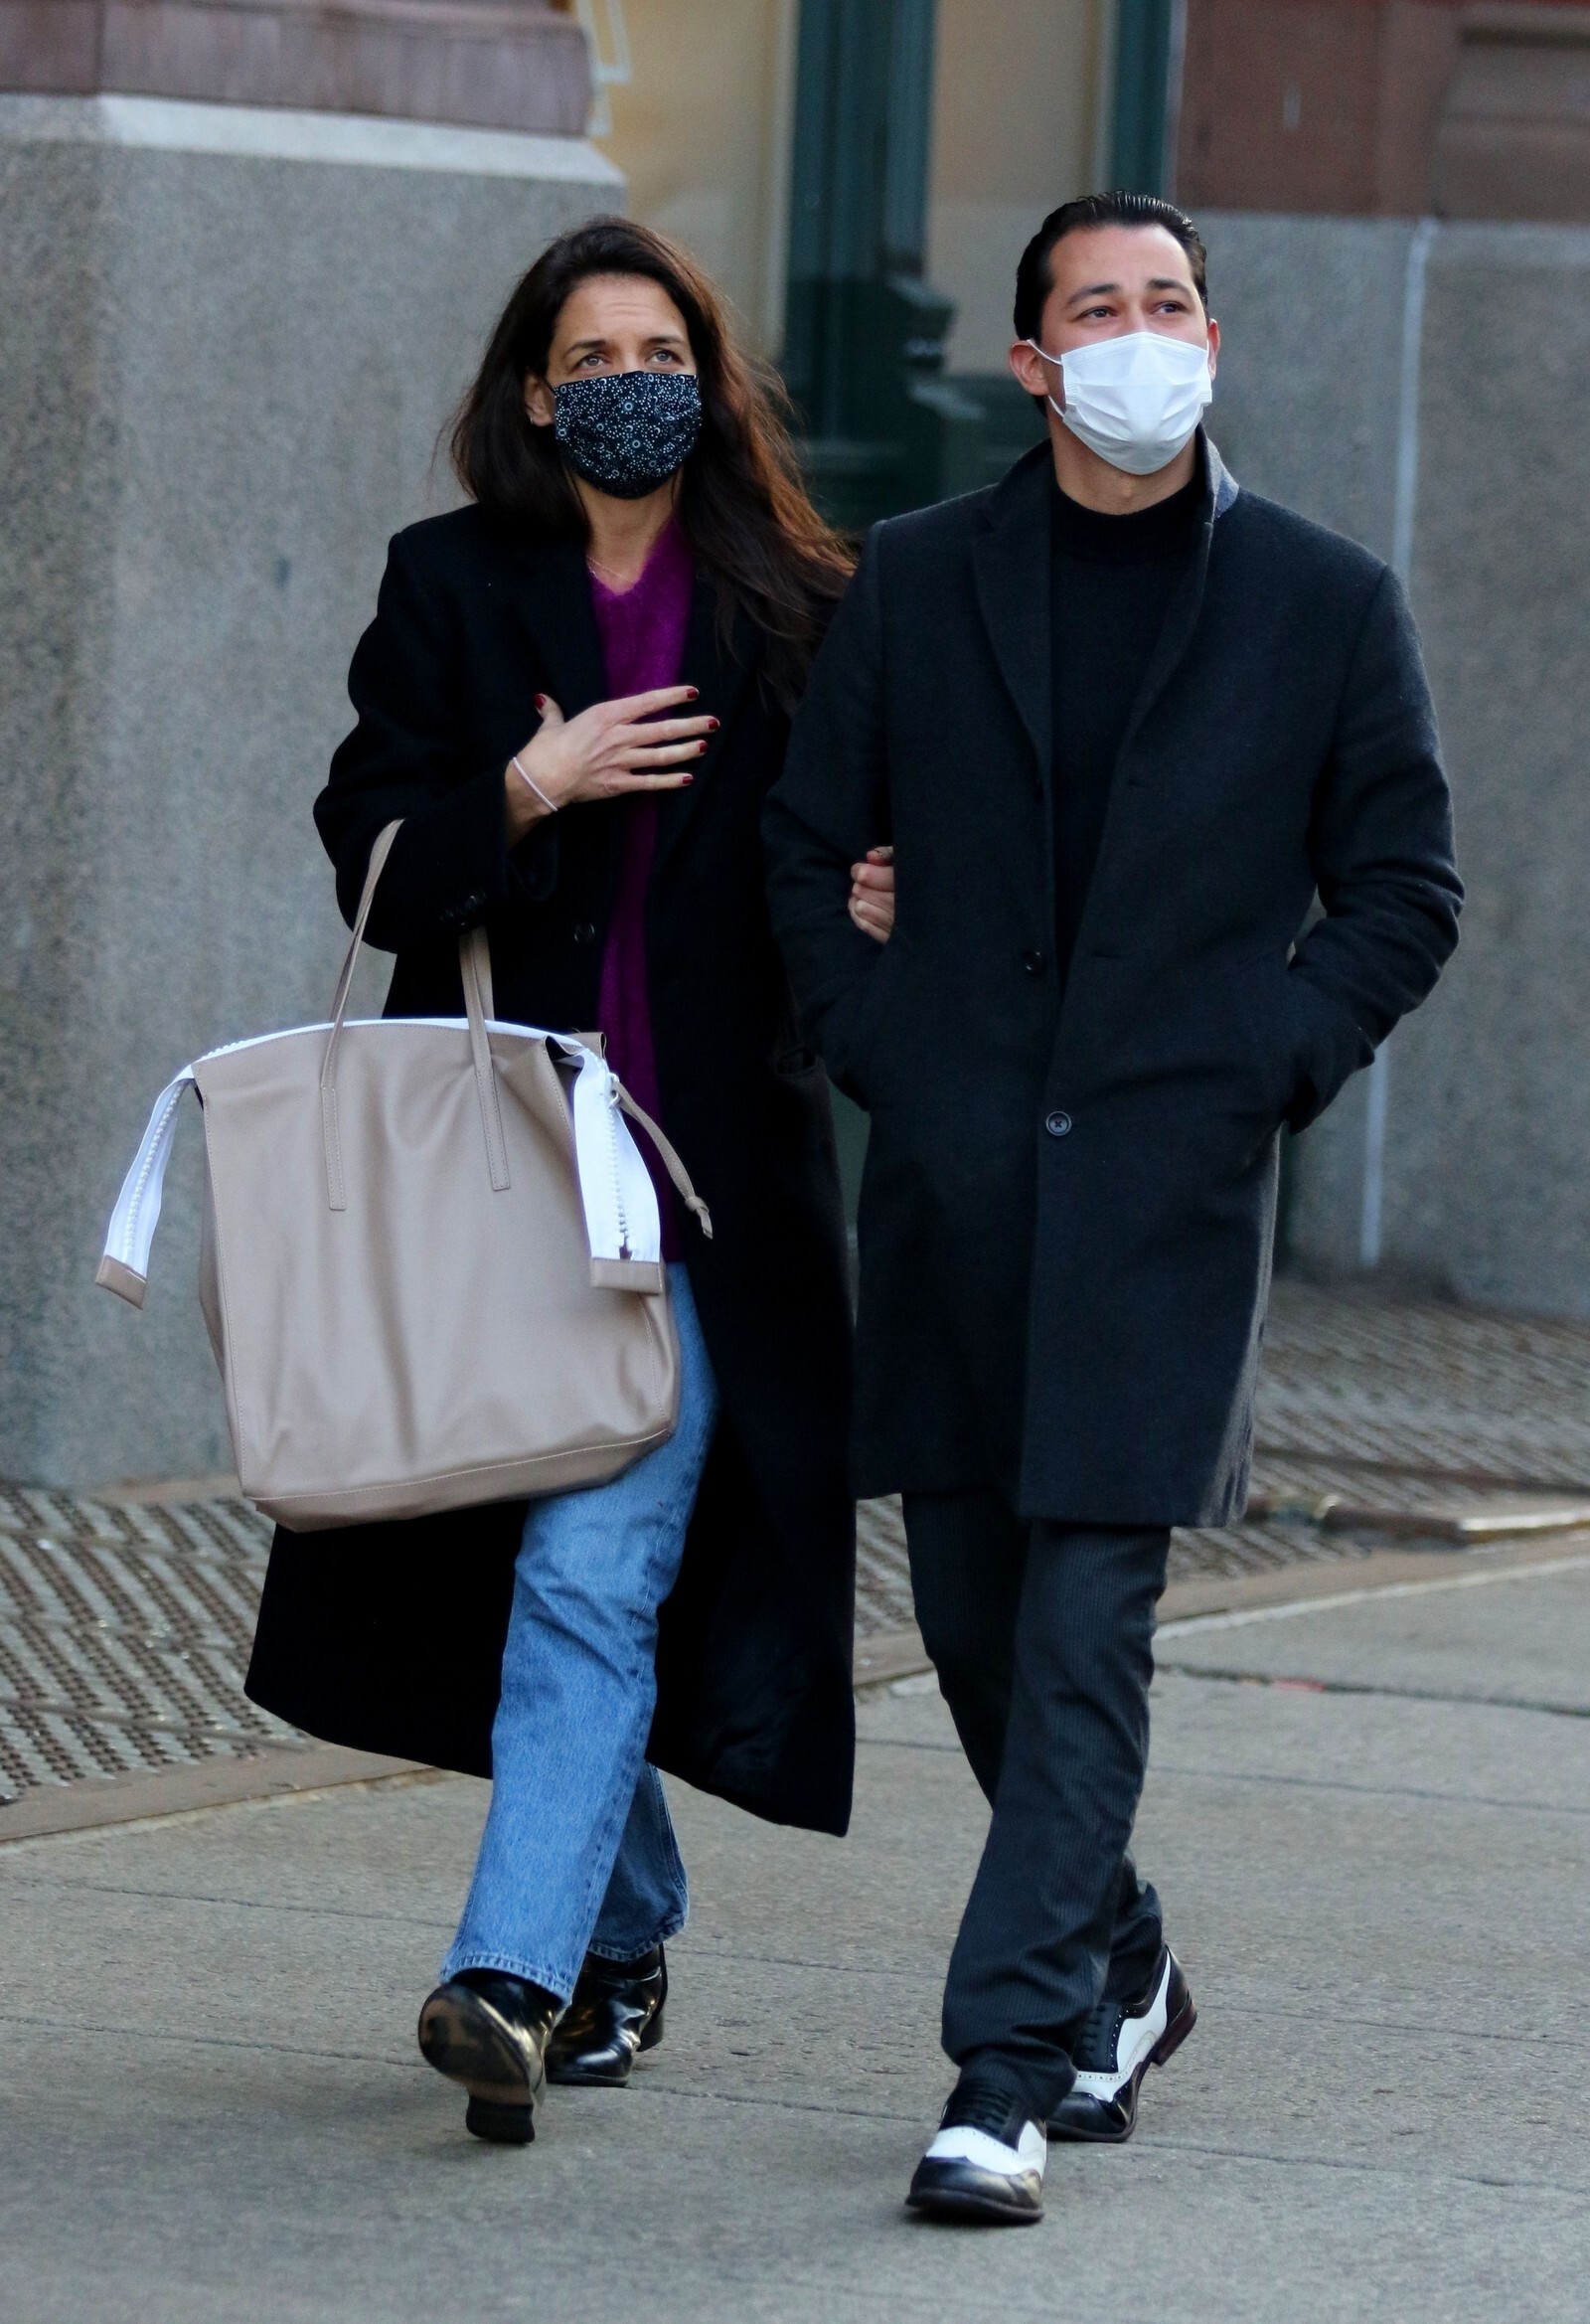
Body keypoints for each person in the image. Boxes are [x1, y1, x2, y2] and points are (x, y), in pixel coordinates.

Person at [764, 191, 1462, 2225]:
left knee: (1085, 1623)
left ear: (1211, 346)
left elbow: (1404, 886)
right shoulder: (917, 577)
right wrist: (882, 1043)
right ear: (1033, 360)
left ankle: (1003, 2069)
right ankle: (1124, 1958)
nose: (1140, 331)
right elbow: (806, 848)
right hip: (961, 1192)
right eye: (1098, 305)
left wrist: (1264, 1059)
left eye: (1170, 301)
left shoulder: (1323, 600)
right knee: (978, 1628)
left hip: (1165, 1206)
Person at [244, 217, 858, 2147]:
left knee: (594, 1566)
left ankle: (511, 1975)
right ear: (532, 391)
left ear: (711, 381)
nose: (627, 386)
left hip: (696, 1199)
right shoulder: (449, 583)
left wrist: (877, 893)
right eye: (589, 357)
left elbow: (853, 853)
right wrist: (525, 787)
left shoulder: (793, 604)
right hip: (490, 1182)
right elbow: (365, 849)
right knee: (519, 1578)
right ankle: (626, 1916)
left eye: (659, 352)